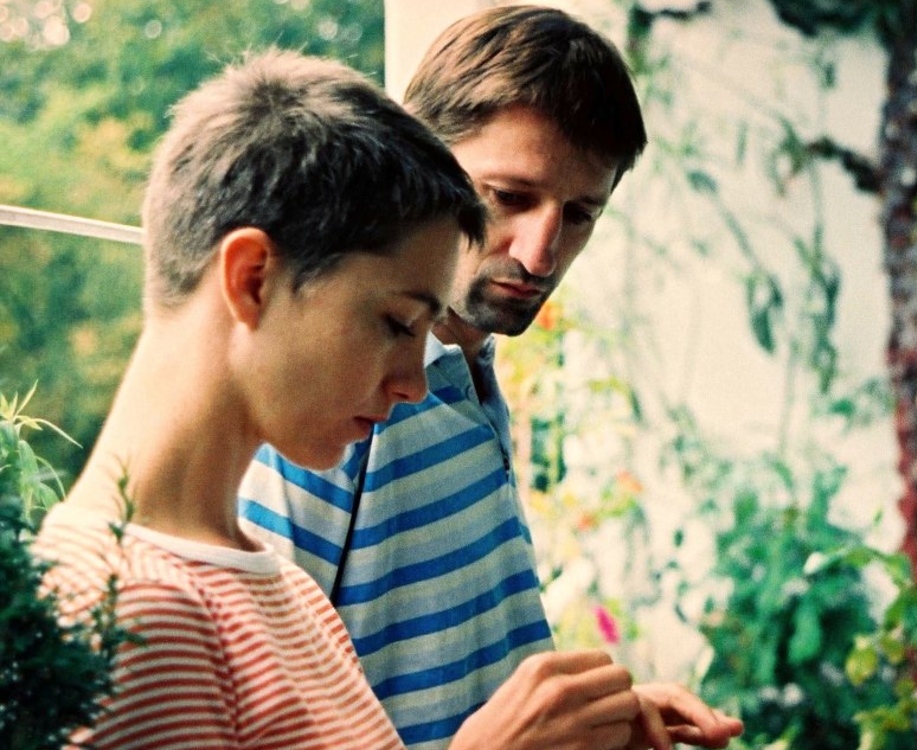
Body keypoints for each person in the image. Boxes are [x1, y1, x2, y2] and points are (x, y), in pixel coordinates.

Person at [239, 6, 744, 750]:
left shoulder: (472, 368)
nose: (541, 255)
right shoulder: (330, 397)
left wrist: (597, 722)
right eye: (509, 198)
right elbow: (250, 725)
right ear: (419, 161)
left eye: (580, 213)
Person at [32, 49, 508, 749]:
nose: (413, 383)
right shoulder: (119, 612)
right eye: (397, 324)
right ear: (252, 277)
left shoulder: (291, 595)